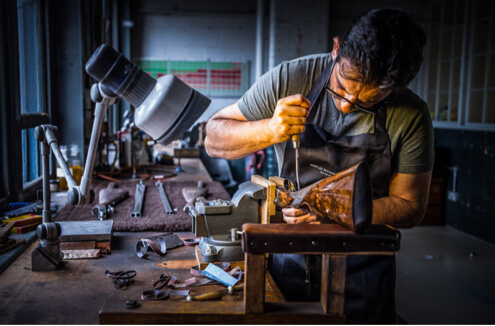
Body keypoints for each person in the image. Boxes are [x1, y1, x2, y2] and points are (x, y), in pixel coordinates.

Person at [205, 7, 433, 323]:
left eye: (364, 102)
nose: (343, 104)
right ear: (336, 49)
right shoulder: (292, 78)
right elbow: (213, 138)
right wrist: (269, 129)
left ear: (395, 88)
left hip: (364, 267)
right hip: (289, 252)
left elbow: (411, 206)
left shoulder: (411, 114)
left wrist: (334, 211)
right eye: (340, 87)